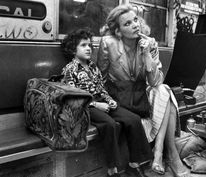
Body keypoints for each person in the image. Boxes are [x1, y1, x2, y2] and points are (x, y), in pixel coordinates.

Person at [97, 4, 190, 177]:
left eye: (136, 20)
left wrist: (146, 53)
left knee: (164, 90)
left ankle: (159, 153)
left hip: (140, 96)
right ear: (118, 31)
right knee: (167, 101)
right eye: (127, 24)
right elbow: (100, 77)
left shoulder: (150, 42)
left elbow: (155, 81)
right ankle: (167, 156)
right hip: (118, 95)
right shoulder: (108, 43)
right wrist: (103, 101)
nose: (135, 25)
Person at [61, 29, 153, 177]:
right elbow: (74, 98)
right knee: (110, 125)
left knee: (133, 119)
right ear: (73, 50)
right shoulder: (69, 70)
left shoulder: (92, 67)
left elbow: (101, 89)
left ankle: (135, 162)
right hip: (86, 107)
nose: (88, 48)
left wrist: (110, 101)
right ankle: (113, 168)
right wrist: (96, 105)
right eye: (83, 45)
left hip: (101, 102)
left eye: (90, 45)